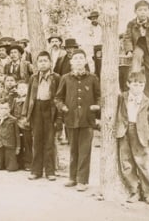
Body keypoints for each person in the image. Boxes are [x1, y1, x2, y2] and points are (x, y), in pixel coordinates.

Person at [55, 49, 100, 192]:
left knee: (85, 150)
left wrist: (97, 106)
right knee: (73, 149)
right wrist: (63, 107)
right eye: (76, 59)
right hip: (71, 119)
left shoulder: (93, 78)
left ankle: (82, 180)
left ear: (86, 61)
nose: (79, 61)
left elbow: (99, 96)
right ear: (71, 62)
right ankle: (72, 178)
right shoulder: (66, 78)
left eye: (82, 58)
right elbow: (58, 98)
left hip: (87, 120)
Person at [116, 72, 149, 205]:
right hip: (125, 131)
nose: (137, 87)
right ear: (128, 84)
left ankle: (148, 193)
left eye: (141, 85)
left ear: (144, 86)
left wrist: (144, 132)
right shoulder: (122, 97)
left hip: (139, 133)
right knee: (127, 163)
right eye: (134, 84)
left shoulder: (148, 101)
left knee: (141, 163)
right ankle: (134, 191)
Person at [24, 51, 61, 181]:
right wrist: (26, 115)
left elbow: (59, 98)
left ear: (50, 63)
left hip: (50, 110)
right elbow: (29, 97)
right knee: (37, 141)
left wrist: (59, 118)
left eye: (45, 61)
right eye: (40, 61)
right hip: (37, 110)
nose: (43, 63)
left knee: (49, 141)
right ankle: (36, 170)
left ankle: (50, 171)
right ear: (37, 63)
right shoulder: (33, 78)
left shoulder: (56, 78)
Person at [124, 0, 149, 101]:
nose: (143, 12)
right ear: (135, 11)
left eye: (145, 10)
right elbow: (127, 37)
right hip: (138, 45)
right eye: (140, 10)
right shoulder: (131, 24)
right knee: (136, 63)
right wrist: (129, 50)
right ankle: (134, 89)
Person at [0, 99, 20, 172]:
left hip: (10, 146)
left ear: (9, 109)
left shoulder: (13, 120)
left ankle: (11, 162)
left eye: (6, 108)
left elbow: (17, 135)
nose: (3, 110)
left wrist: (18, 147)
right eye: (1, 108)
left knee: (12, 168)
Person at [12, 81, 32, 171]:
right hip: (16, 124)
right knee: (18, 143)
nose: (21, 90)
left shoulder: (30, 101)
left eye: (24, 88)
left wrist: (26, 121)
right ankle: (19, 162)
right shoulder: (15, 100)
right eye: (19, 88)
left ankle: (28, 162)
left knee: (27, 144)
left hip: (26, 124)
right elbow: (12, 111)